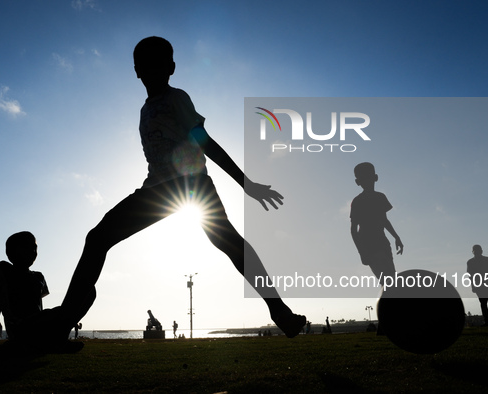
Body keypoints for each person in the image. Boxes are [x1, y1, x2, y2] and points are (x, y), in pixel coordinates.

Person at [57, 36, 305, 339]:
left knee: (229, 243)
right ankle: (61, 322)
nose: (152, 69)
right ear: (136, 70)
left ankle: (279, 310)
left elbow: (205, 141)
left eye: (159, 62)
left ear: (171, 67)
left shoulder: (177, 98)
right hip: (157, 190)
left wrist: (246, 184)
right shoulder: (144, 110)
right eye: (145, 63)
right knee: (97, 238)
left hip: (192, 184)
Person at [0, 232, 92, 354]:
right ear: (12, 251)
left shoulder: (39, 277)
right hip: (20, 327)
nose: (33, 251)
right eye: (27, 247)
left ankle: (54, 341)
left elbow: (39, 307)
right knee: (54, 313)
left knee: (90, 291)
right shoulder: (3, 269)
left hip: (40, 325)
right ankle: (27, 344)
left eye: (35, 248)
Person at [350, 162, 403, 281]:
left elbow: (384, 220)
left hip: (383, 242)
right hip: (369, 245)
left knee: (392, 278)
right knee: (388, 281)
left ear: (375, 177)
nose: (367, 181)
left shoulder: (380, 197)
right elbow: (353, 230)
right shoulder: (358, 201)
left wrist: (396, 237)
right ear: (358, 182)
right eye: (363, 178)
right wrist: (362, 252)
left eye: (368, 177)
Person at [467, 245, 488, 326]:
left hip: (487, 284)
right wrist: (473, 286)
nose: (477, 252)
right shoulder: (470, 262)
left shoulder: (487, 259)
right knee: (484, 304)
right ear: (473, 252)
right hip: (479, 285)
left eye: (478, 250)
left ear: (481, 251)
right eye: (475, 250)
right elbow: (470, 275)